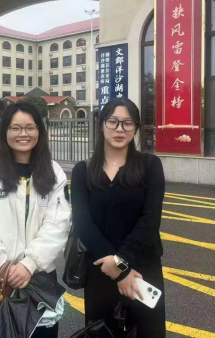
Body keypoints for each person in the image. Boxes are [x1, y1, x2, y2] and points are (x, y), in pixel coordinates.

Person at [0, 101, 71, 338]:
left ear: (39, 131)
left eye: (30, 128)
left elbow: (58, 223)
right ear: (5, 132)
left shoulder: (54, 172)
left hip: (40, 277)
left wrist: (29, 264)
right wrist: (4, 265)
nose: (23, 134)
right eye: (15, 128)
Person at [70, 98, 166, 338]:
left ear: (136, 128)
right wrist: (118, 270)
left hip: (143, 269)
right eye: (113, 122)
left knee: (147, 332)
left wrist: (122, 263)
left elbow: (150, 220)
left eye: (127, 123)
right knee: (101, 333)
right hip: (101, 270)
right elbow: (83, 223)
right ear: (102, 124)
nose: (120, 129)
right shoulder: (83, 171)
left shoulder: (150, 165)